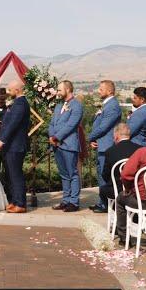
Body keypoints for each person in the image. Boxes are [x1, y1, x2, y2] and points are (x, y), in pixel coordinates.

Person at [0, 80, 31, 213]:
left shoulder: (21, 104)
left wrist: (1, 140)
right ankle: (15, 201)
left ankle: (20, 204)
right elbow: (9, 119)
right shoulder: (17, 103)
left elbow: (13, 124)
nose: (8, 93)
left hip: (15, 146)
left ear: (17, 90)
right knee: (11, 175)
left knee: (16, 175)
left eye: (10, 90)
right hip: (11, 146)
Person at [49, 80, 84, 213]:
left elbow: (71, 125)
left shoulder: (76, 105)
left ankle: (74, 202)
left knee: (72, 173)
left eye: (59, 90)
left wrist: (57, 137)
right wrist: (51, 136)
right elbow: (52, 123)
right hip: (57, 145)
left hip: (68, 144)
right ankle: (65, 200)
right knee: (64, 174)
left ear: (68, 89)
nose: (57, 92)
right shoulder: (58, 106)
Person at [88, 80, 122, 213]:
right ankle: (102, 202)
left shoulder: (112, 106)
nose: (98, 91)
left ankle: (106, 205)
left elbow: (104, 127)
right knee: (101, 174)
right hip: (101, 145)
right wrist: (94, 139)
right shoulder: (107, 105)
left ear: (109, 91)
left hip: (107, 146)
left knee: (105, 176)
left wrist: (90, 137)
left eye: (101, 89)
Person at [97, 123, 142, 207]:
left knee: (103, 190)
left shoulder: (110, 151)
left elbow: (105, 175)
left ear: (116, 135)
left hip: (117, 190)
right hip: (136, 190)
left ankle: (116, 210)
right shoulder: (140, 149)